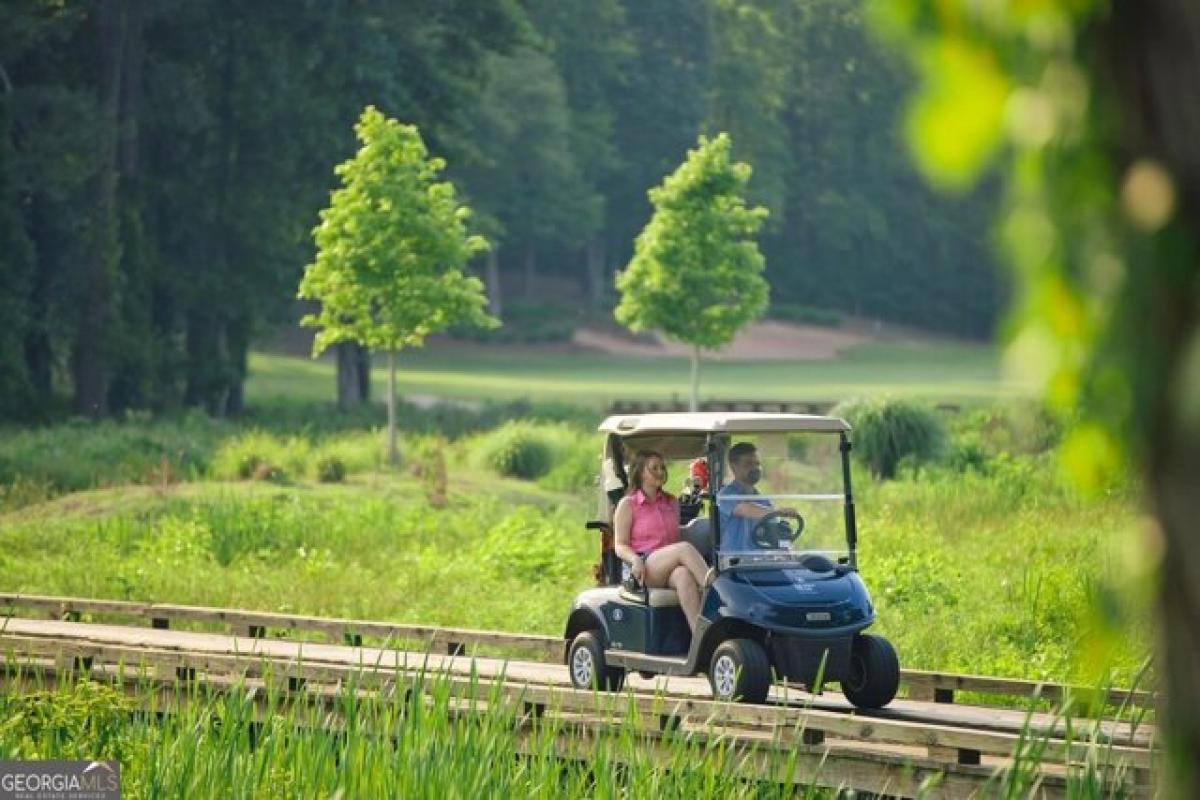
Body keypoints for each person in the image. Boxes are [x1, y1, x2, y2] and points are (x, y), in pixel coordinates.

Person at [612, 450, 709, 633]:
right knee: (684, 549)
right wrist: (635, 560)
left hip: (668, 565)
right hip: (643, 565)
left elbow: (673, 538)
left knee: (683, 576)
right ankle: (716, 590)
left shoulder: (671, 502)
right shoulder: (628, 504)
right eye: (654, 468)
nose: (660, 472)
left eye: (662, 467)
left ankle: (701, 639)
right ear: (641, 473)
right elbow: (620, 545)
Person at [717, 442, 799, 551]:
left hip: (758, 561)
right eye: (748, 464)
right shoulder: (726, 495)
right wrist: (778, 512)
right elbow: (745, 509)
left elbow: (772, 532)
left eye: (757, 464)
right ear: (734, 467)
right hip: (733, 561)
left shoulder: (764, 501)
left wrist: (783, 538)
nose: (755, 468)